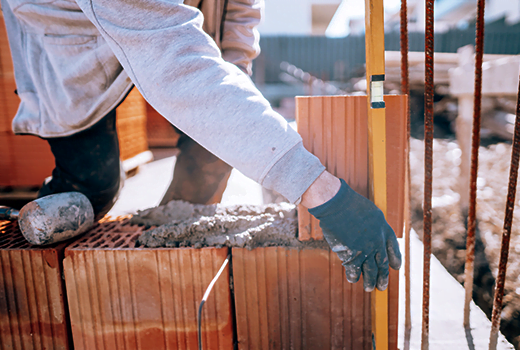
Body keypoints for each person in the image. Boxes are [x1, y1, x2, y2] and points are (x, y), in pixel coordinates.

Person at [1, 0, 401, 292]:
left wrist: (235, 90)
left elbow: (240, 15)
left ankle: (165, 263)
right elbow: (173, 61)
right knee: (93, 185)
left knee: (213, 154)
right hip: (73, 38)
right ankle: (28, 266)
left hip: (166, 23)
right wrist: (321, 191)